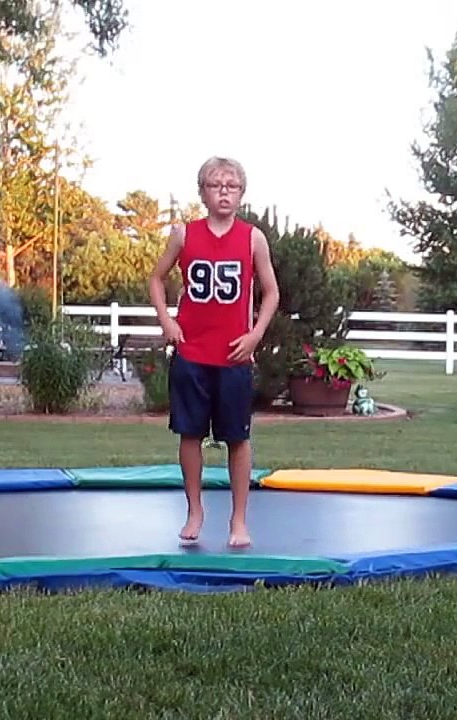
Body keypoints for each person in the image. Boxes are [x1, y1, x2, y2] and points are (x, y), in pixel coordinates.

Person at [149, 156, 280, 549]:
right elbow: (156, 279)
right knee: (189, 434)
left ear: (241, 193)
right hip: (192, 353)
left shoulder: (252, 237)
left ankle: (238, 520)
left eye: (232, 186)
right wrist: (167, 321)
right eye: (216, 185)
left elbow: (271, 291)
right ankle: (195, 510)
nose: (224, 192)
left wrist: (256, 334)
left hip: (234, 356)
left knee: (237, 438)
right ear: (202, 192)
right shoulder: (184, 235)